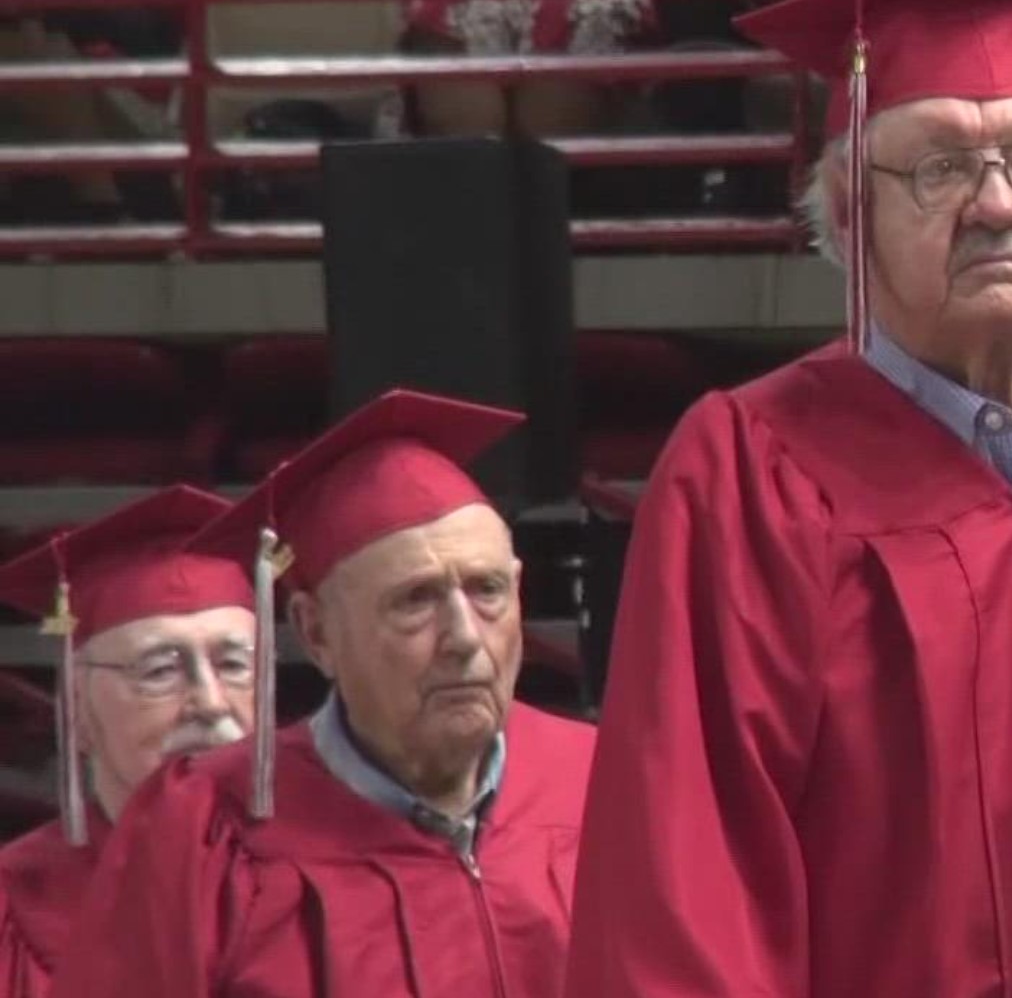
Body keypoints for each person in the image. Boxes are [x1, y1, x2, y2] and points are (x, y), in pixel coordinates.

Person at [564, 0, 1012, 997]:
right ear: (846, 210)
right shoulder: (756, 470)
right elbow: (692, 873)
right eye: (939, 166)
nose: (999, 204)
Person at [51, 389, 597, 998]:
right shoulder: (204, 826)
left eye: (487, 590)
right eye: (415, 600)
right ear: (316, 633)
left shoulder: (605, 784)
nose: (465, 638)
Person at [0, 486, 256, 997]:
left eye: (233, 665)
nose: (209, 701)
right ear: (78, 708)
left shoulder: (331, 882)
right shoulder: (13, 911)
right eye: (159, 670)